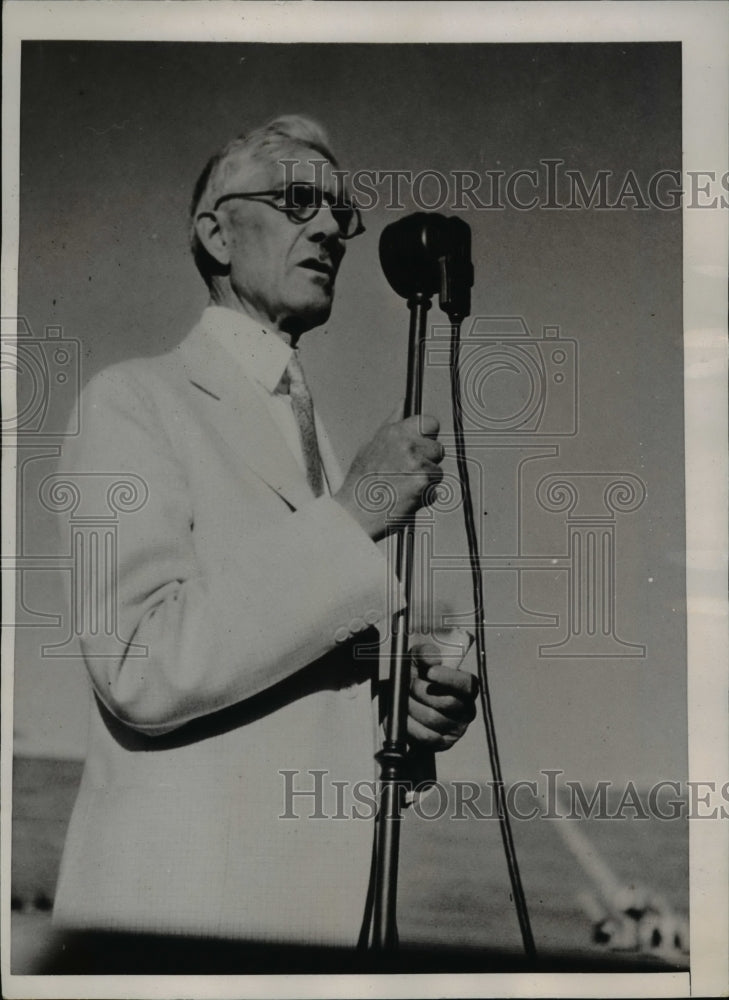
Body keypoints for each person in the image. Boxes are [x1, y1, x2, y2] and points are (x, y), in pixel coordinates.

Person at [51, 115, 477, 969]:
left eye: (340, 214)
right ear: (215, 231)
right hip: (180, 929)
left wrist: (404, 708)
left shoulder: (321, 443)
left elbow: (287, 666)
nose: (329, 228)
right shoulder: (132, 402)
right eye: (296, 201)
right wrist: (352, 515)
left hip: (329, 935)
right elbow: (140, 662)